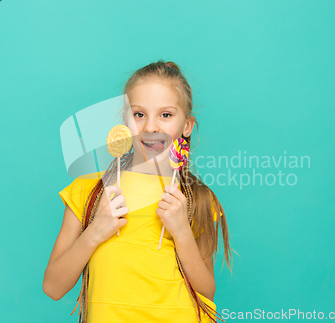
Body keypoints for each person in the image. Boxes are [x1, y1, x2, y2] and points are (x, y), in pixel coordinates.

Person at [43, 60, 235, 323]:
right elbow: (53, 287)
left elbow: (207, 290)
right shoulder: (89, 190)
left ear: (187, 126)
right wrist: (95, 232)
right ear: (125, 120)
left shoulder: (196, 199)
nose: (151, 127)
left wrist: (181, 231)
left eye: (165, 115)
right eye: (139, 114)